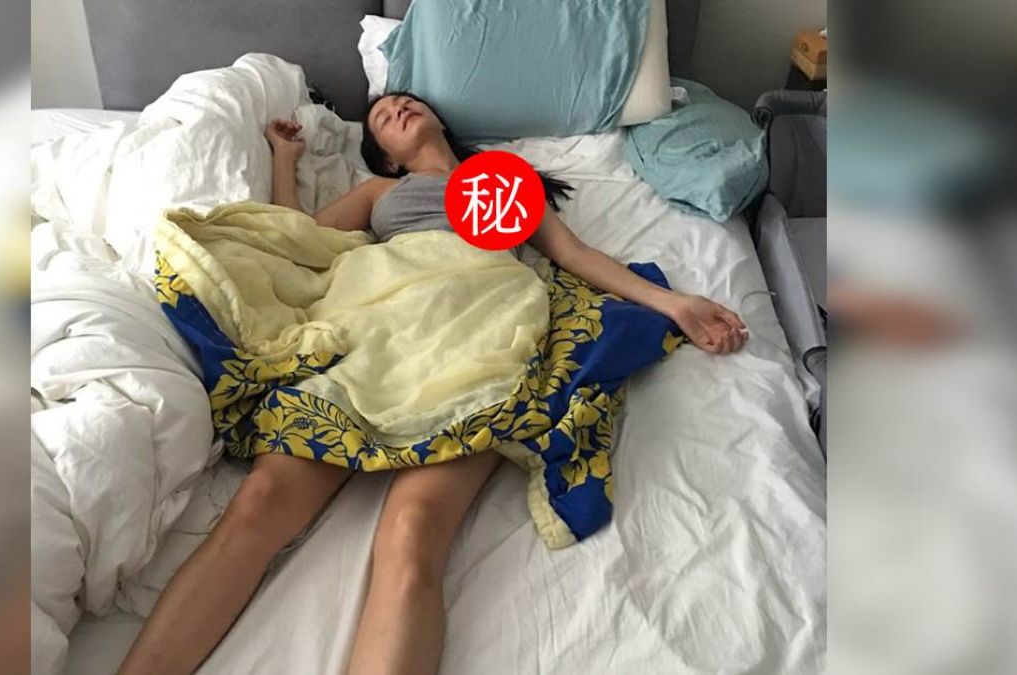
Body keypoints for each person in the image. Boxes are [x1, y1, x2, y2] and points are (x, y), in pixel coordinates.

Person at [116, 92, 748, 675]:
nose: (396, 107)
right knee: (258, 505)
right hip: (376, 330)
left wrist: (675, 303)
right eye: (382, 115)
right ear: (385, 157)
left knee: (413, 532)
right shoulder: (379, 193)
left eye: (405, 100)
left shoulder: (505, 181)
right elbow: (293, 238)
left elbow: (575, 256)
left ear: (440, 119)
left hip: (480, 331)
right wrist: (287, 158)